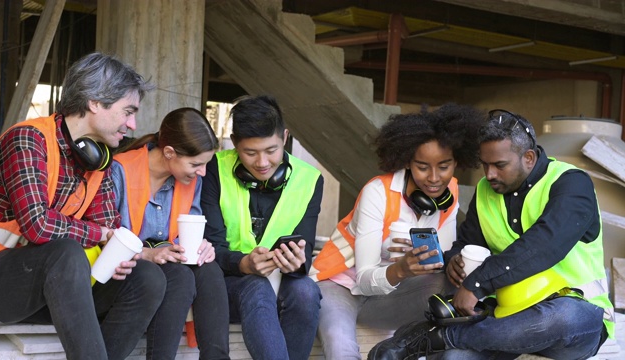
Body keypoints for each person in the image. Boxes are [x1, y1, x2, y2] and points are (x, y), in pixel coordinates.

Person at [369, 109, 614, 360]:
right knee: (452, 358)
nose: (489, 174)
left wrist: (477, 283)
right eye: (485, 164)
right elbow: (467, 243)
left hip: (576, 317)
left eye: (499, 165)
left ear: (528, 157)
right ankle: (443, 340)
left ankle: (434, 337)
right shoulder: (486, 190)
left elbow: (543, 245)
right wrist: (455, 259)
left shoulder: (571, 183)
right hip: (504, 318)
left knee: (563, 318)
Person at [0, 52, 167, 359]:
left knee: (148, 278)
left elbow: (110, 229)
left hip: (55, 292)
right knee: (65, 252)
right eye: (128, 111)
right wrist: (101, 236)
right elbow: (38, 225)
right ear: (95, 102)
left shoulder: (100, 159)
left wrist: (117, 255)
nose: (133, 125)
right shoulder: (28, 140)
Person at [309, 103, 486, 359]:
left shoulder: (451, 194)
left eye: (444, 166)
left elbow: (439, 263)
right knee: (341, 347)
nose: (434, 178)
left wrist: (452, 264)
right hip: (340, 285)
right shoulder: (378, 192)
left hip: (389, 295)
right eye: (423, 167)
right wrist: (401, 269)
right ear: (407, 162)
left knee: (447, 281)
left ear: (457, 161)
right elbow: (363, 279)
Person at [200, 95, 323, 360]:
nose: (263, 163)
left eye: (271, 150)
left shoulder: (310, 179)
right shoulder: (213, 169)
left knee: (306, 291)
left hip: (281, 282)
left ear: (285, 137)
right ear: (234, 143)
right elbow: (211, 247)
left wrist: (297, 262)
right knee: (256, 287)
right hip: (229, 285)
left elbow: (306, 252)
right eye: (250, 153)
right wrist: (243, 264)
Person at [111, 107, 230, 359]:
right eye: (196, 164)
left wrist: (202, 246)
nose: (203, 172)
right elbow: (104, 237)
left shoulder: (191, 180)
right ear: (169, 152)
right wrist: (150, 254)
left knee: (209, 267)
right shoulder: (119, 170)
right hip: (125, 268)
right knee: (180, 277)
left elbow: (187, 232)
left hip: (167, 262)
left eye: (205, 164)